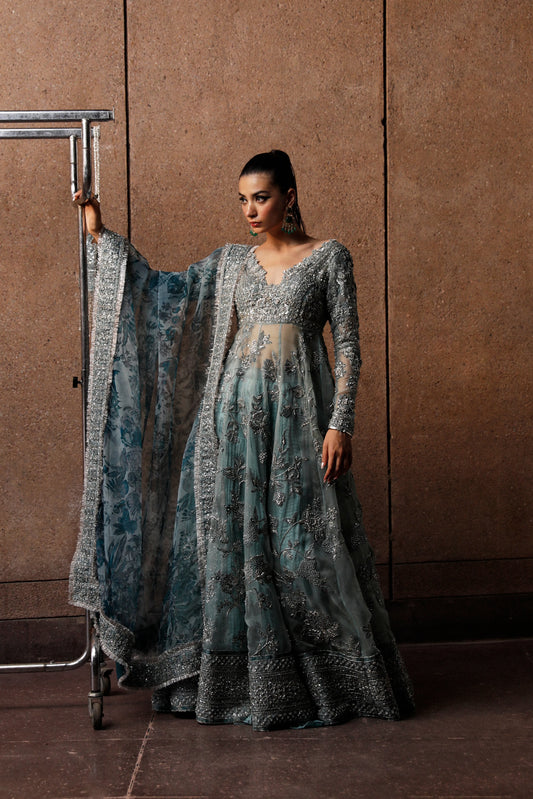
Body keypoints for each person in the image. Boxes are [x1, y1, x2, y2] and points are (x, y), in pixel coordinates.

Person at [70, 150, 413, 730]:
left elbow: (349, 348)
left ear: (290, 196)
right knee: (240, 556)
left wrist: (341, 423)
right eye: (243, 200)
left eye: (261, 197)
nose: (250, 211)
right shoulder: (232, 263)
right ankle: (241, 680)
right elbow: (162, 294)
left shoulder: (329, 258)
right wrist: (102, 235)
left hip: (300, 428)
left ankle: (330, 676)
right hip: (230, 430)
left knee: (305, 549)